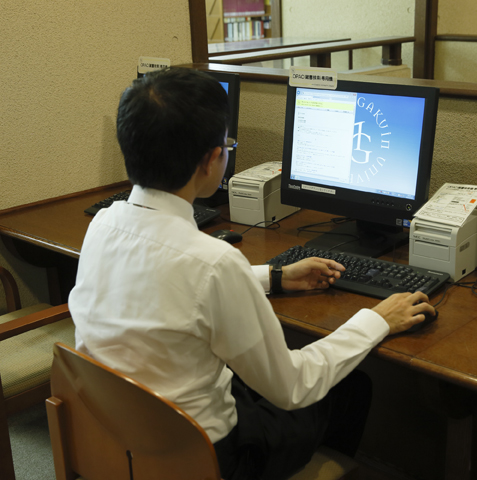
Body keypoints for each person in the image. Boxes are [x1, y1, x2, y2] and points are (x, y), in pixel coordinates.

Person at [68, 67, 436, 480]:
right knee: (350, 388)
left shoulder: (104, 223)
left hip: (122, 436)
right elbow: (293, 387)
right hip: (208, 460)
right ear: (211, 160)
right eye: (225, 145)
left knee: (241, 379)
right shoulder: (213, 263)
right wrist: (376, 320)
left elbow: (172, 280)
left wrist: (275, 276)